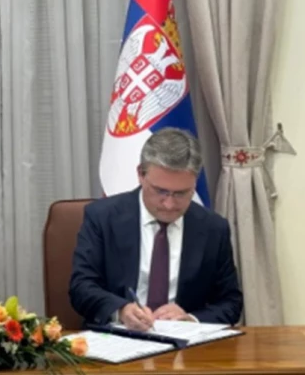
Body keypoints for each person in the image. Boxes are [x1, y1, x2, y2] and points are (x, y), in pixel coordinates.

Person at [69, 127, 243, 331]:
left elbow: (230, 302)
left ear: (194, 183)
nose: (169, 204)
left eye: (181, 193)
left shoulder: (213, 228)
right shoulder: (102, 217)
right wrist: (121, 310)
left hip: (186, 342)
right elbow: (81, 288)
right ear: (141, 175)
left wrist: (191, 319)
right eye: (160, 191)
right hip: (118, 336)